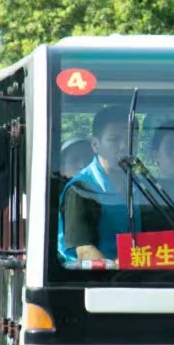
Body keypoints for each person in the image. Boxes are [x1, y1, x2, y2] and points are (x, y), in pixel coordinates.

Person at [58, 105, 134, 264]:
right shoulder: (81, 189)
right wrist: (118, 270)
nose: (123, 146)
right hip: (95, 276)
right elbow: (85, 251)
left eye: (130, 139)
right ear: (95, 145)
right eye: (114, 139)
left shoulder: (140, 186)